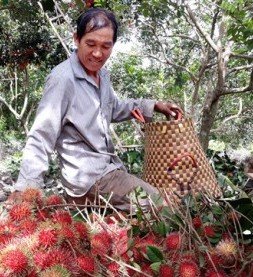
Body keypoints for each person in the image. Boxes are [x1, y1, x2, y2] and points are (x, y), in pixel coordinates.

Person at [11, 7, 182, 211]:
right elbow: (42, 135)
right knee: (164, 205)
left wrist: (151, 106)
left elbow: (113, 108)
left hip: (105, 171)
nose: (98, 53)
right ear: (77, 39)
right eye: (90, 44)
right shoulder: (63, 79)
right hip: (91, 179)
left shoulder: (102, 75)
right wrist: (25, 187)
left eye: (105, 46)